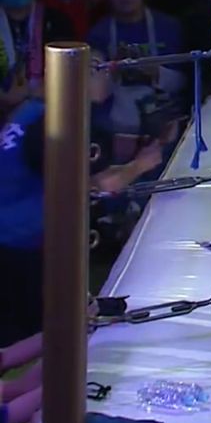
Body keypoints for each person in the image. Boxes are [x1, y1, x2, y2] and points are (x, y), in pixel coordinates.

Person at [0, 53, 172, 346]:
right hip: (16, 248)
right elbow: (94, 186)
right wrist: (141, 165)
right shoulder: (53, 122)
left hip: (17, 238)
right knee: (37, 340)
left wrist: (138, 161)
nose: (111, 81)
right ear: (87, 73)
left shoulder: (33, 110)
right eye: (106, 73)